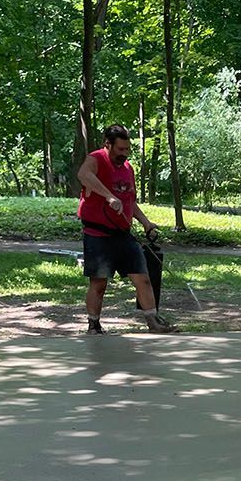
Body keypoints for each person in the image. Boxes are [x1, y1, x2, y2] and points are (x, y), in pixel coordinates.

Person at [76, 124, 170, 334]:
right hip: (97, 234)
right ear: (107, 145)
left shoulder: (128, 168)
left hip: (124, 234)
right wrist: (108, 196)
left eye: (127, 149)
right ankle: (94, 325)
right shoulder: (96, 158)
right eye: (120, 149)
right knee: (99, 283)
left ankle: (153, 323)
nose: (124, 154)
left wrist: (146, 222)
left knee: (143, 278)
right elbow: (83, 175)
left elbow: (129, 201)